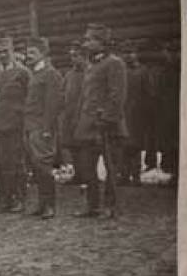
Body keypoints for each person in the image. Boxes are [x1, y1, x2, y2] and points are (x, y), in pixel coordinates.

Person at [74, 23, 128, 218]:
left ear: (101, 42)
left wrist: (105, 120)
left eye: (89, 39)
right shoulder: (91, 65)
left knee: (111, 169)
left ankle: (110, 207)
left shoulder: (115, 63)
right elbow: (86, 97)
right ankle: (93, 206)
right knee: (88, 168)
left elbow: (117, 96)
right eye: (85, 39)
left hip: (108, 127)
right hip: (89, 126)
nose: (85, 43)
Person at [23, 37, 64, 219]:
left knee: (44, 165)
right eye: (27, 52)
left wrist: (47, 128)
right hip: (31, 126)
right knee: (36, 166)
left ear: (43, 53)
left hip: (41, 127)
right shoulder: (35, 74)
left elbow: (53, 104)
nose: (28, 56)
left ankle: (50, 206)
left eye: (32, 53)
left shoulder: (50, 74)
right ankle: (41, 204)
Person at [0, 38, 30, 213]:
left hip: (16, 123)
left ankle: (20, 197)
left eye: (6, 51)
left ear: (12, 51)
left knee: (17, 162)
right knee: (2, 162)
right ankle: (6, 196)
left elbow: (31, 97)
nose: (3, 55)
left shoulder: (22, 72)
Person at [120, 42, 151, 186]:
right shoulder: (121, 72)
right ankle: (124, 175)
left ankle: (136, 176)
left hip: (138, 115)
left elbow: (148, 94)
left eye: (131, 52)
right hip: (123, 114)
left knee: (136, 146)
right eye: (126, 52)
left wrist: (145, 112)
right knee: (124, 145)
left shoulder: (143, 71)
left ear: (136, 54)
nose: (128, 55)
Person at [152, 39, 180, 184]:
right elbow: (159, 93)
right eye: (168, 52)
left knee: (178, 143)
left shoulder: (183, 70)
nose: (170, 55)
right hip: (166, 113)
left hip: (180, 114)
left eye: (174, 52)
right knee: (168, 144)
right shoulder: (164, 72)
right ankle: (173, 174)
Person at [60, 41, 87, 184]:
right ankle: (78, 174)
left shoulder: (90, 73)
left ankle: (88, 175)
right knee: (73, 146)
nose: (74, 59)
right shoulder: (69, 74)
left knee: (84, 146)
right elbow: (62, 92)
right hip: (70, 115)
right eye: (72, 56)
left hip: (83, 115)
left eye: (76, 56)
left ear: (83, 56)